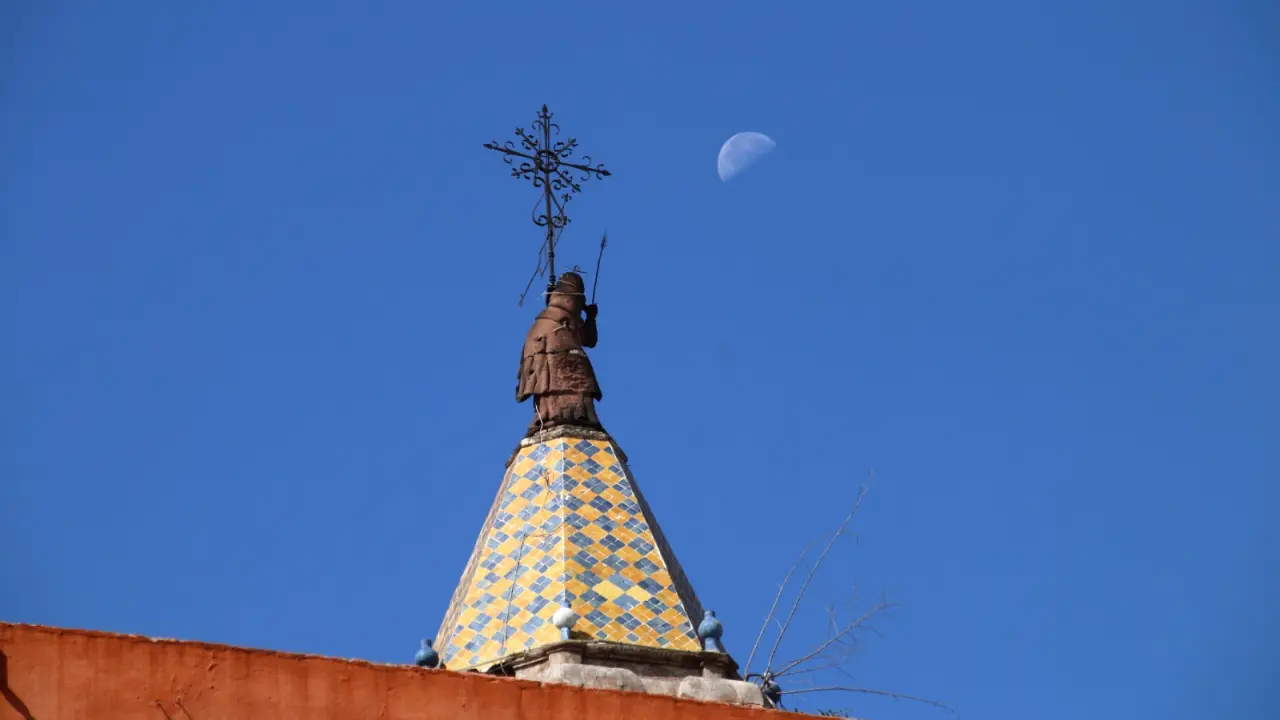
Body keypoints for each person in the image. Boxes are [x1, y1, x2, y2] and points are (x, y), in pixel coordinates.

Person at [516, 271, 604, 436]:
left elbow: (588, 339)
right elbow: (588, 338)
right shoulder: (563, 308)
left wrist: (590, 318)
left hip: (551, 346)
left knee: (567, 376)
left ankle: (567, 412)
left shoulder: (564, 309)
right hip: (548, 346)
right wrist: (588, 316)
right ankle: (555, 412)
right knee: (571, 374)